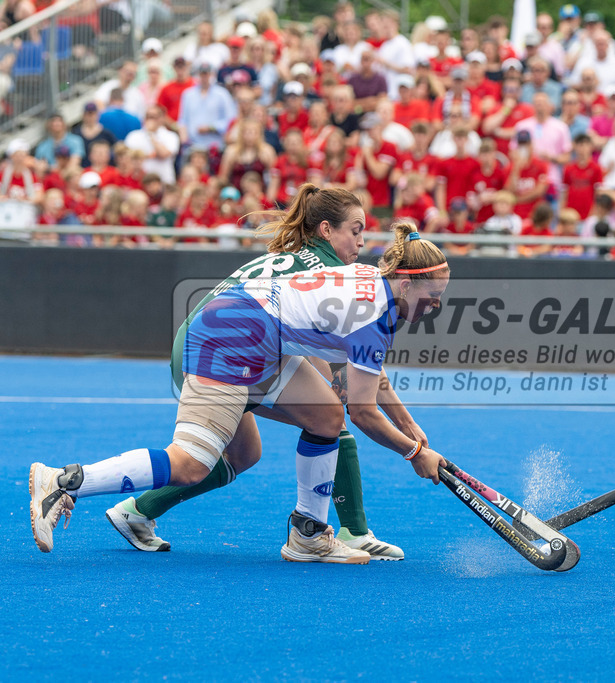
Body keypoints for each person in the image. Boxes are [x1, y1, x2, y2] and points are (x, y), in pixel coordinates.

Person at [32, 190, 447, 563]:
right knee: (190, 464)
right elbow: (362, 406)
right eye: (434, 296)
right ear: (406, 284)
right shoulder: (371, 310)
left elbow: (368, 374)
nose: (437, 306)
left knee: (324, 418)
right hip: (231, 339)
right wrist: (414, 452)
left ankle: (308, 535)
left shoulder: (371, 280)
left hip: (257, 338)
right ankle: (65, 481)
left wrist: (410, 426)